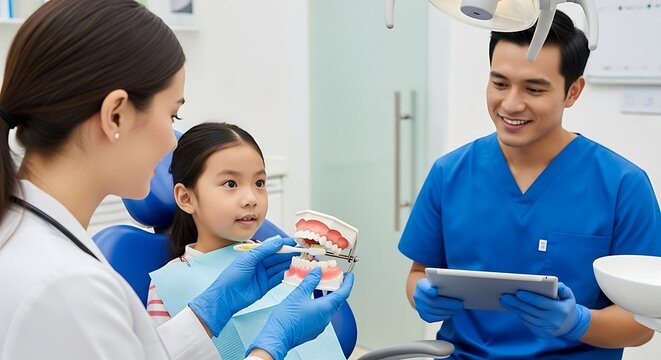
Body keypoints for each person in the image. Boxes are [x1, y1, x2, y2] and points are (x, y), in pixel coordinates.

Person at [0, 1, 353, 360]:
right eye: (172, 114)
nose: (173, 142)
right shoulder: (65, 286)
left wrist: (207, 312)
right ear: (116, 116)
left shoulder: (39, 248)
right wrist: (269, 347)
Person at [398, 10, 661, 360]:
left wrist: (579, 322)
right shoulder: (450, 173)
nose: (510, 104)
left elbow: (640, 325)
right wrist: (422, 295)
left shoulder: (623, 187)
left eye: (534, 89)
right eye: (500, 83)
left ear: (573, 91)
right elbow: (417, 274)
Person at [147, 122, 274, 325]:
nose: (251, 198)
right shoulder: (169, 284)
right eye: (230, 184)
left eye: (259, 183)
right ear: (186, 198)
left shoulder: (276, 261)